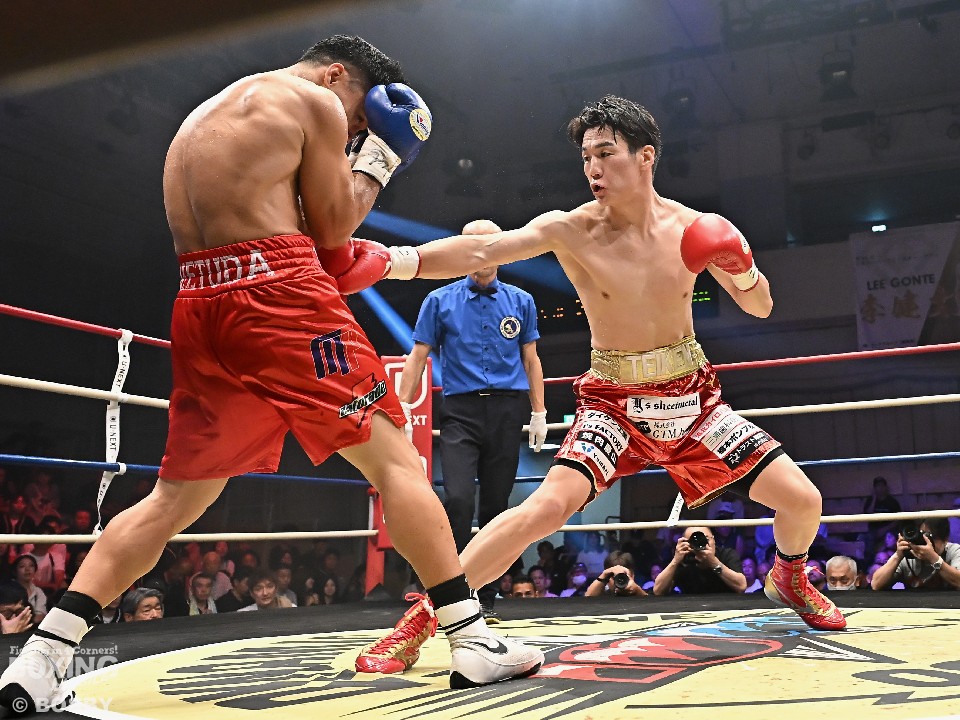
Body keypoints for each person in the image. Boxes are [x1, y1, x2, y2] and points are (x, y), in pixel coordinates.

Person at [0, 36, 541, 714]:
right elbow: (333, 231)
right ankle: (471, 640)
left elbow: (300, 233)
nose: (353, 135)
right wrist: (381, 155)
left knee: (173, 501)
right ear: (338, 75)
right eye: (360, 119)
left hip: (199, 305)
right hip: (280, 298)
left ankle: (41, 659)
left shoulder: (203, 117)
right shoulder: (315, 100)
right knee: (395, 461)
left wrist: (384, 252)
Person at [354, 95, 846, 672]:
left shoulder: (693, 227)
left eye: (606, 153)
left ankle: (789, 578)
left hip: (693, 403)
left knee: (803, 501)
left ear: (646, 157)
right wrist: (394, 261)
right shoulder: (573, 228)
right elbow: (484, 248)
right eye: (586, 157)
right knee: (543, 509)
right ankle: (420, 620)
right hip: (613, 404)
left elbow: (760, 306)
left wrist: (744, 268)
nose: (593, 168)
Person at [397, 220, 547, 619]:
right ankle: (453, 592)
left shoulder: (521, 301)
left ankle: (486, 596)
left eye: (490, 245)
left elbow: (531, 359)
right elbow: (417, 357)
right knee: (458, 499)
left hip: (507, 409)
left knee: (497, 504)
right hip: (460, 411)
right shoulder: (439, 300)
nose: (482, 254)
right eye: (474, 246)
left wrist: (539, 411)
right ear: (461, 252)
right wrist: (402, 409)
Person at [871, 517, 960, 590]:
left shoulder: (954, 551)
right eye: (923, 537)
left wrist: (933, 558)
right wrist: (897, 556)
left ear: (945, 540)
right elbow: (876, 584)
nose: (926, 544)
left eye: (930, 539)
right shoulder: (909, 555)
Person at [653, 527, 747, 595]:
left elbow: (741, 586)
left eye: (705, 539)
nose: (701, 543)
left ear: (713, 540)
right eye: (694, 540)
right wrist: (675, 561)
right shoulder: (683, 558)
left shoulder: (726, 554)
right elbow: (658, 591)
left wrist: (714, 563)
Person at [862, 476, 901, 555]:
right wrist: (874, 498)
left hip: (889, 529)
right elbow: (868, 514)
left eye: (882, 486)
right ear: (874, 488)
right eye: (878, 486)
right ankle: (870, 560)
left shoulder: (892, 501)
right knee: (868, 537)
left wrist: (885, 529)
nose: (880, 488)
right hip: (874, 530)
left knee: (890, 537)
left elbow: (897, 520)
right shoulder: (870, 500)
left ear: (885, 487)